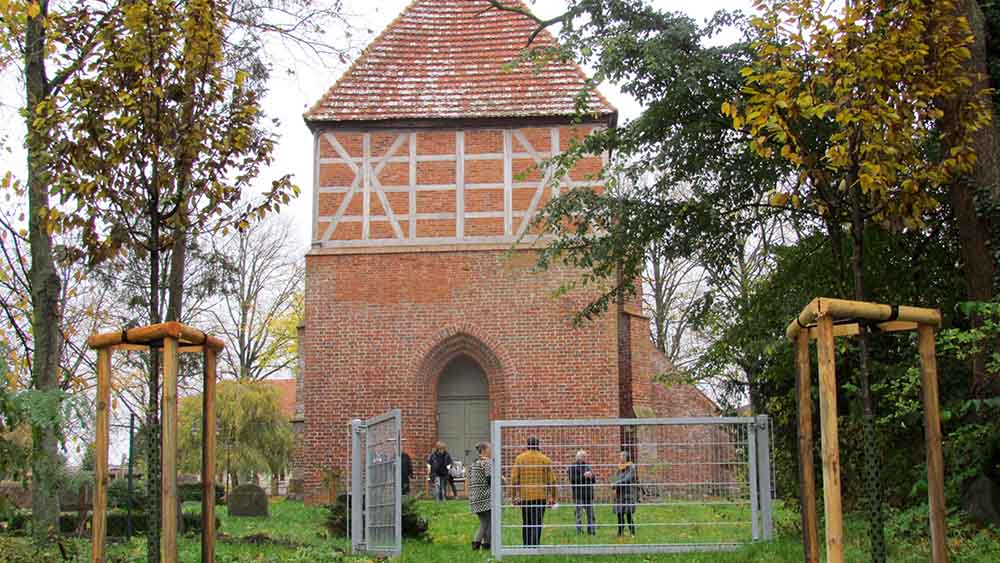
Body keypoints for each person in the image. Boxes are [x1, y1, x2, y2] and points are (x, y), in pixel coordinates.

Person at [510, 436, 556, 546]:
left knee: (527, 522)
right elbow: (552, 481)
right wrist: (553, 497)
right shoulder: (545, 459)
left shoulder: (520, 458)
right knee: (537, 522)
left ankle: (526, 545)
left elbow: (514, 479)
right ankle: (535, 545)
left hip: (525, 496)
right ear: (538, 445)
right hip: (540, 496)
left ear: (528, 445)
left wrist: (513, 497)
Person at [467, 442, 493, 551]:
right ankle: (476, 545)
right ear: (484, 450)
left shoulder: (474, 463)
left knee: (486, 521)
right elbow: (490, 479)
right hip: (484, 498)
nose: (492, 451)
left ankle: (486, 545)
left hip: (474, 497)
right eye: (490, 449)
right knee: (486, 523)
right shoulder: (486, 462)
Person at [568, 449, 596, 535]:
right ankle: (579, 531)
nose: (584, 458)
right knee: (578, 515)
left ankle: (591, 531)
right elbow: (573, 480)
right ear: (578, 457)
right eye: (583, 456)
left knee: (591, 515)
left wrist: (592, 476)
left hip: (588, 494)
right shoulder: (572, 467)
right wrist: (584, 476)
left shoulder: (588, 466)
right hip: (578, 494)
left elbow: (594, 480)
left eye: (585, 457)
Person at [613, 450, 638, 537]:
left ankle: (632, 533)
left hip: (628, 494)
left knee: (628, 514)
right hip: (619, 494)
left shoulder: (631, 467)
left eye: (622, 456)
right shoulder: (619, 468)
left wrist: (616, 484)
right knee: (619, 515)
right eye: (620, 456)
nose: (620, 458)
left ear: (626, 457)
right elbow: (615, 478)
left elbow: (628, 479)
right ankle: (620, 532)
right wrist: (614, 484)